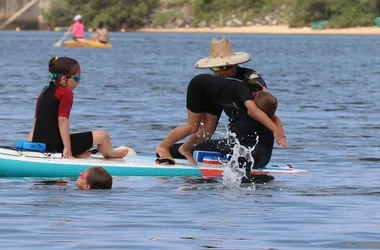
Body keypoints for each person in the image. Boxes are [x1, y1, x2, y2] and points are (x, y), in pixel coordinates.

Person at [156, 74, 286, 166]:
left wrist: (280, 132)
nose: (253, 117)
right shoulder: (243, 91)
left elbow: (272, 116)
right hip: (199, 88)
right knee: (192, 127)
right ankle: (163, 147)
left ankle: (185, 149)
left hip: (217, 97)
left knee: (207, 132)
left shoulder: (259, 91)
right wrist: (275, 130)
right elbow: (256, 113)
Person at [27, 56, 129, 159]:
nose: (78, 82)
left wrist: (29, 148)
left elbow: (36, 121)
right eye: (76, 78)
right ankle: (111, 155)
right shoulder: (66, 92)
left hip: (40, 146)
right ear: (63, 79)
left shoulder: (44, 92)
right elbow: (62, 120)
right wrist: (67, 150)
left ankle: (80, 154)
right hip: (56, 147)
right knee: (103, 136)